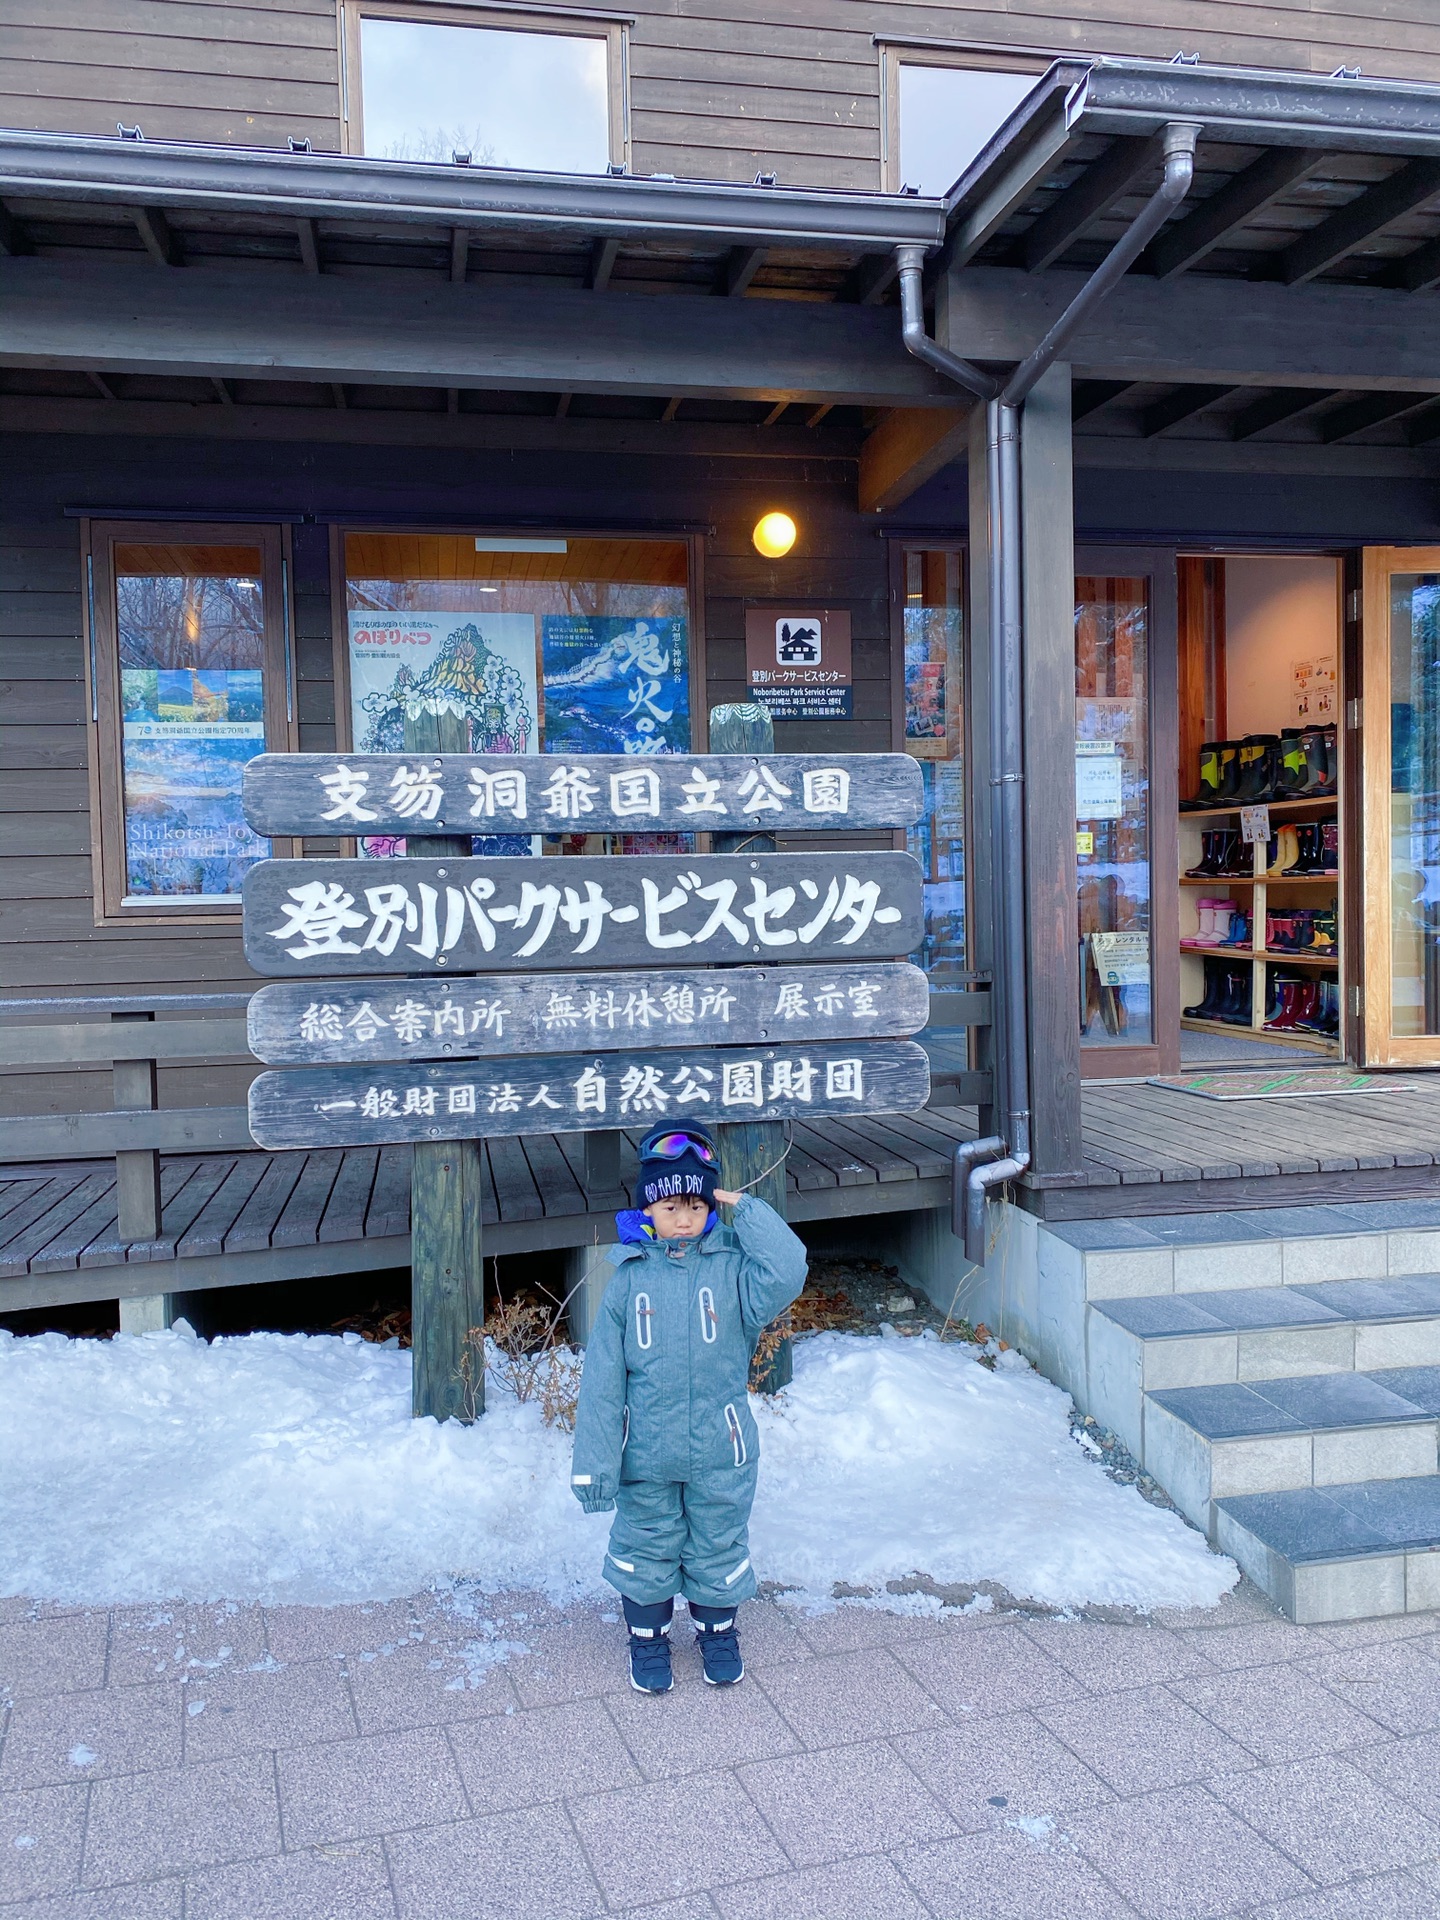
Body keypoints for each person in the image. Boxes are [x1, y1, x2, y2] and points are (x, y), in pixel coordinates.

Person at [569, 1122, 807, 1694]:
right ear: (649, 1210)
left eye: (696, 1204)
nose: (683, 1216)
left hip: (722, 1449)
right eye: (670, 1204)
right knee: (645, 1545)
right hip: (647, 1454)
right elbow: (603, 1382)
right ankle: (648, 1641)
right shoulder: (628, 1283)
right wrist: (595, 1464)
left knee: (717, 1541)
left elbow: (788, 1269)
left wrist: (745, 1210)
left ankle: (717, 1631)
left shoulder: (733, 1275)